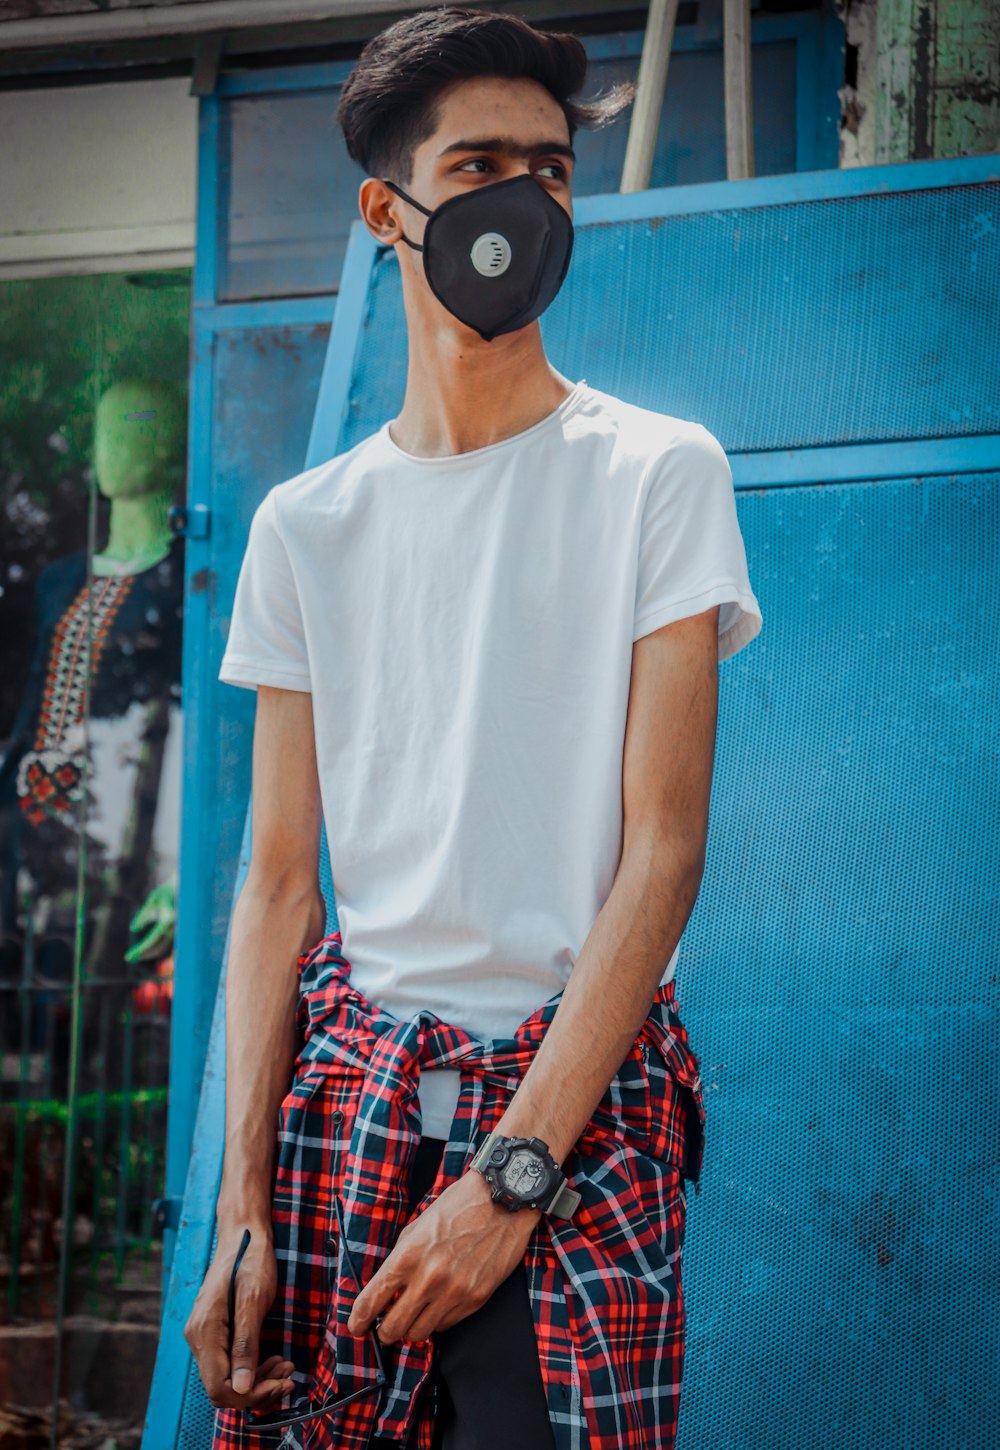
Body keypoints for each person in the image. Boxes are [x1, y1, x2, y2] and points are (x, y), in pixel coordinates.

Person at [184, 8, 762, 1449]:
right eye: (482, 161)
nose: (526, 199)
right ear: (390, 209)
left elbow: (665, 850)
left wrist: (510, 1178)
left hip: (570, 1138)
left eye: (554, 169)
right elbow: (272, 884)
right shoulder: (305, 527)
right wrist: (238, 1207)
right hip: (349, 1116)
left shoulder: (657, 474)